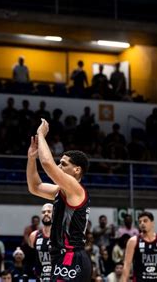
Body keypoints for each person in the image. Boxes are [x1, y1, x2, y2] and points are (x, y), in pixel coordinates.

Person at [26, 119, 91, 281]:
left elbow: (48, 164)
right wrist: (31, 159)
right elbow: (35, 187)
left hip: (71, 256)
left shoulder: (75, 189)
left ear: (77, 170)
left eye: (63, 164)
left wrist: (41, 135)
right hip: (60, 257)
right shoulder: (61, 190)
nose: (59, 167)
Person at [122, 211, 157, 282]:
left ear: (152, 223)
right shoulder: (133, 241)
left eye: (145, 221)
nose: (142, 224)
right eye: (140, 222)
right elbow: (127, 265)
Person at [29, 203, 53, 282]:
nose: (46, 213)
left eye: (49, 211)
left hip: (58, 278)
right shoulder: (34, 235)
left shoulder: (62, 235)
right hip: (41, 278)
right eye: (43, 212)